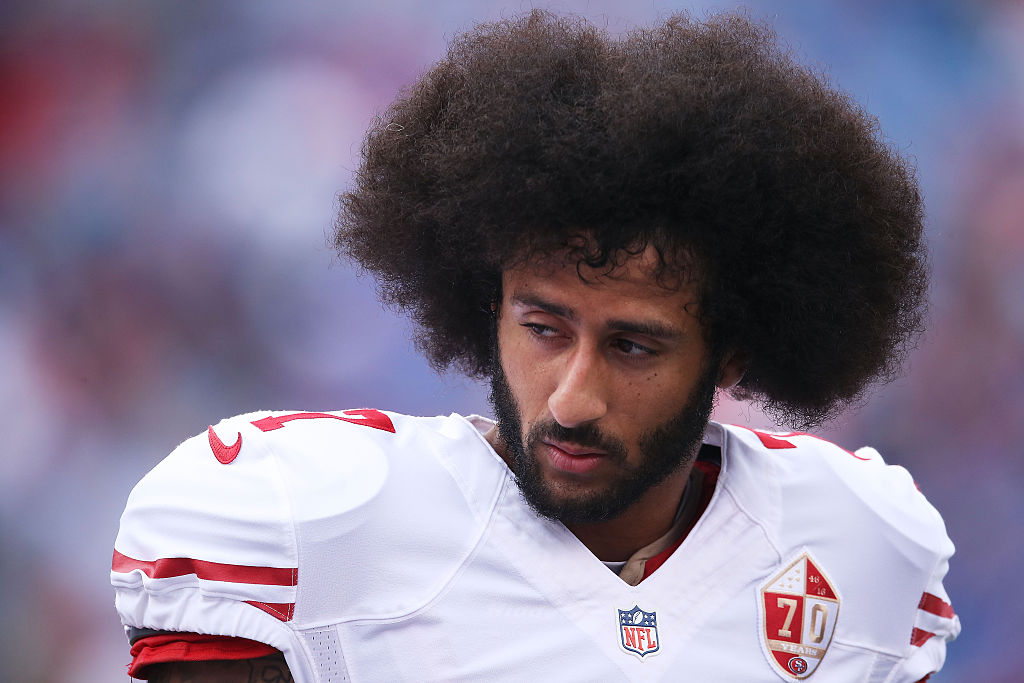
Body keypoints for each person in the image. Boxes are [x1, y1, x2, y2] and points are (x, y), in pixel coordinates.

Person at [110, 10, 959, 682]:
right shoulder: (304, 523)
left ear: (731, 354)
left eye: (633, 346)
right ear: (489, 304)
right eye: (544, 329)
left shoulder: (861, 547)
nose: (571, 398)